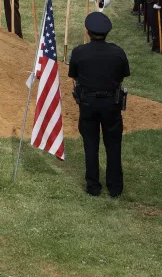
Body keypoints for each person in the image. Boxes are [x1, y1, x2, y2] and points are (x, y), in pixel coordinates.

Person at [68, 13, 130, 198]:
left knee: (90, 144)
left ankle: (93, 185)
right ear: (107, 33)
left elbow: (73, 75)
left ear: (88, 32)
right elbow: (122, 75)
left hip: (88, 103)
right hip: (112, 104)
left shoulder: (79, 52)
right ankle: (115, 187)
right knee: (113, 144)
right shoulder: (118, 52)